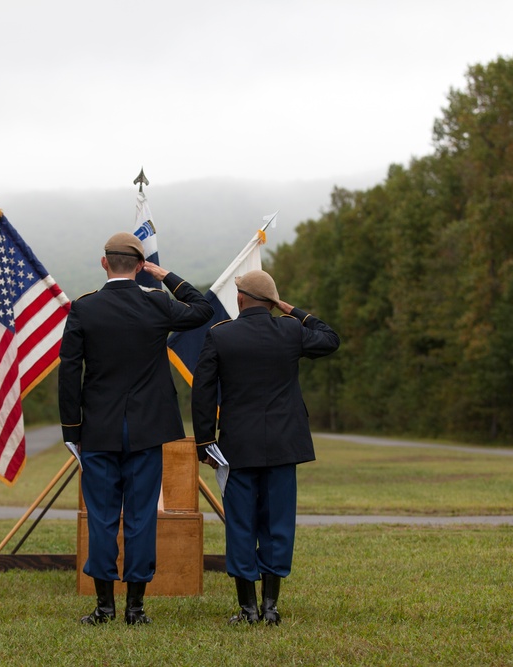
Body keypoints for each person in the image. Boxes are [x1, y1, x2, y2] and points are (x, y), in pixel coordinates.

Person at [58, 231, 214, 625]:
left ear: (103, 262)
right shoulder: (158, 303)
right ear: (140, 266)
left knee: (103, 516)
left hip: (98, 429)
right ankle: (136, 608)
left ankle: (104, 607)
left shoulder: (84, 308)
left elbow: (70, 371)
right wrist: (166, 276)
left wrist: (71, 429)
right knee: (142, 515)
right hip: (146, 430)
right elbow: (201, 308)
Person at [191, 269, 339, 625]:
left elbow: (203, 392)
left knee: (241, 524)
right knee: (277, 524)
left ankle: (248, 609)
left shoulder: (220, 335)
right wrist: (292, 310)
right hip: (284, 445)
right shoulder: (290, 330)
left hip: (237, 447)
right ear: (272, 303)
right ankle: (271, 608)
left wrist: (205, 442)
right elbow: (329, 338)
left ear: (240, 298)